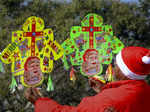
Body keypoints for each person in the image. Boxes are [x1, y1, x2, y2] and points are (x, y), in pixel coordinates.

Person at [24, 46, 150, 112]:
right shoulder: (145, 92)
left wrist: (39, 102)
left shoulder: (106, 101)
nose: (114, 68)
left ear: (125, 71)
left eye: (117, 65)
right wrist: (104, 90)